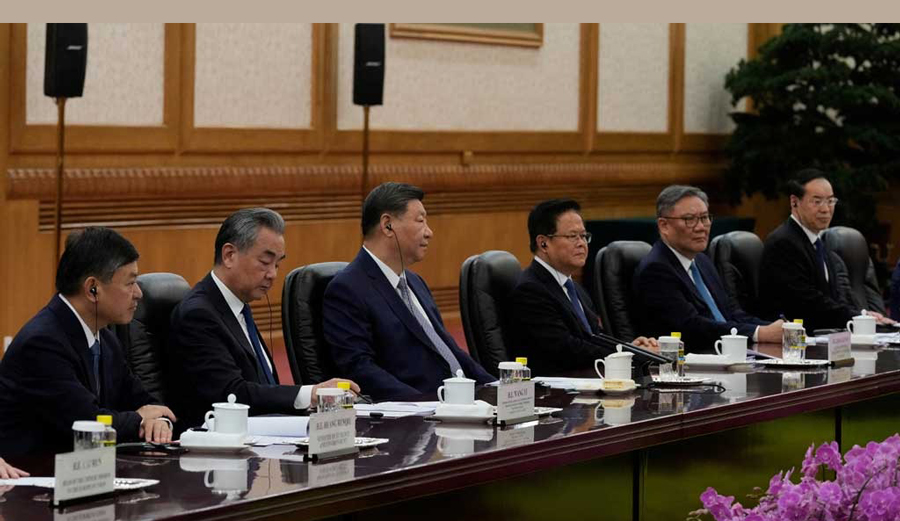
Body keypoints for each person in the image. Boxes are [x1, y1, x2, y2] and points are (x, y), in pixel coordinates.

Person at [168, 208, 358, 427]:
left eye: (277, 264)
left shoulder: (238, 306)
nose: (273, 274)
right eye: (265, 262)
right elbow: (231, 394)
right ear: (229, 255)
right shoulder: (198, 315)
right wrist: (311, 394)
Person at [0, 227, 176, 458]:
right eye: (130, 283)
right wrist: (140, 419)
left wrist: (160, 421)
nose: (139, 294)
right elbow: (87, 422)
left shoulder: (105, 338)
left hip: (86, 473)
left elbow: (143, 400)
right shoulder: (42, 343)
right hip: (29, 480)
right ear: (93, 289)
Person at [323, 182, 495, 401]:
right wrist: (428, 405)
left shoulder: (415, 282)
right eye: (421, 221)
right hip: (415, 417)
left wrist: (496, 387)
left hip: (458, 405)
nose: (429, 232)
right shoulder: (347, 289)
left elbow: (448, 349)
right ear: (387, 226)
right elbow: (360, 369)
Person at [506, 199, 658, 377]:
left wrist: (629, 347)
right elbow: (566, 348)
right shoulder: (531, 290)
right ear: (543, 243)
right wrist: (628, 355)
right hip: (554, 392)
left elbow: (595, 337)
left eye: (584, 236)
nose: (581, 243)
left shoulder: (575, 288)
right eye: (572, 236)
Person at [633, 185, 783, 351]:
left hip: (728, 354)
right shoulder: (656, 270)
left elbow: (731, 314)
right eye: (689, 219)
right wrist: (759, 333)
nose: (701, 227)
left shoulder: (702, 261)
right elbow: (692, 327)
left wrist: (776, 328)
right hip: (691, 363)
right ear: (664, 226)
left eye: (704, 217)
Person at [759, 169, 894, 331]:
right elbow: (807, 303)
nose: (826, 209)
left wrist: (863, 314)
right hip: (793, 344)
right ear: (794, 202)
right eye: (816, 202)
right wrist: (856, 318)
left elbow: (833, 299)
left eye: (830, 201)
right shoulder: (783, 243)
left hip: (826, 338)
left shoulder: (818, 242)